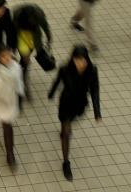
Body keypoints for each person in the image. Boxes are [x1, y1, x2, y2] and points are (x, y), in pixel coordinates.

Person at [48, 45, 102, 181]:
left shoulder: (92, 71)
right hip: (66, 103)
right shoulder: (65, 69)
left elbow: (95, 91)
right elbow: (57, 81)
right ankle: (66, 162)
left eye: (82, 60)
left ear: (87, 59)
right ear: (72, 59)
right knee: (67, 131)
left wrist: (97, 113)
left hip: (79, 105)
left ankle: (64, 131)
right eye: (77, 60)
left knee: (68, 125)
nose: (80, 63)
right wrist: (52, 93)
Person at [11, 3, 51, 99]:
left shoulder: (39, 14)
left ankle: (21, 67)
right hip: (21, 36)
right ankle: (24, 85)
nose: (31, 20)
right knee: (26, 59)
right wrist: (11, 45)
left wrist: (49, 37)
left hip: (33, 37)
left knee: (25, 60)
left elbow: (45, 26)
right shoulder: (17, 14)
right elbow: (12, 29)